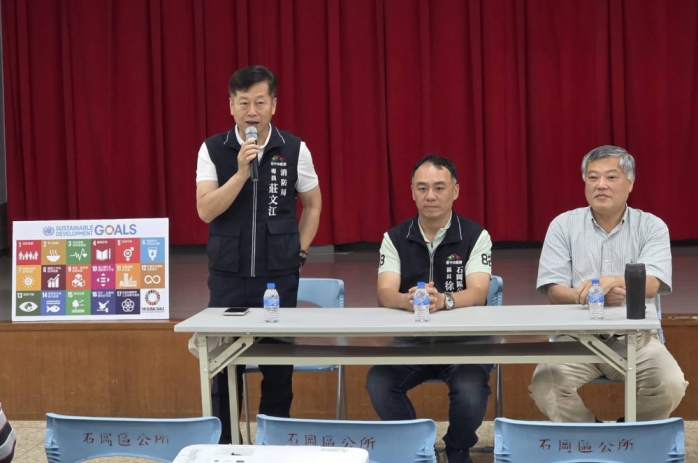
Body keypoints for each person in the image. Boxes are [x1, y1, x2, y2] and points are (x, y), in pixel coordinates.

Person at [195, 65, 322, 442]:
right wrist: (239, 173)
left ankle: (273, 443)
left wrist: (299, 251)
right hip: (228, 276)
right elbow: (205, 210)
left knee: (278, 369)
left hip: (278, 277)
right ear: (231, 106)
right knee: (223, 370)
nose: (252, 111)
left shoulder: (294, 148)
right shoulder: (212, 149)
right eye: (244, 102)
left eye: (260, 102)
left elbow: (313, 204)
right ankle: (225, 445)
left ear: (274, 105)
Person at [529, 145, 688, 422]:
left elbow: (653, 283)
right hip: (576, 339)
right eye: (593, 177)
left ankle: (629, 434)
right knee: (545, 386)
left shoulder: (651, 226)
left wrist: (613, 281)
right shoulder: (563, 225)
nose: (600, 185)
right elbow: (554, 290)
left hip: (637, 339)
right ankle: (593, 436)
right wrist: (591, 294)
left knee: (670, 384)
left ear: (630, 183)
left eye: (611, 177)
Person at [366, 155, 493, 463]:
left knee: (470, 389)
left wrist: (445, 300)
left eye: (439, 187)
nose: (431, 196)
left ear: (455, 191)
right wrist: (405, 301)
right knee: (379, 381)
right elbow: (385, 292)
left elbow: (478, 293)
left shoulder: (476, 236)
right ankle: (418, 447)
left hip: (464, 342)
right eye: (422, 188)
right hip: (412, 341)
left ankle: (457, 448)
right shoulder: (394, 237)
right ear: (412, 191)